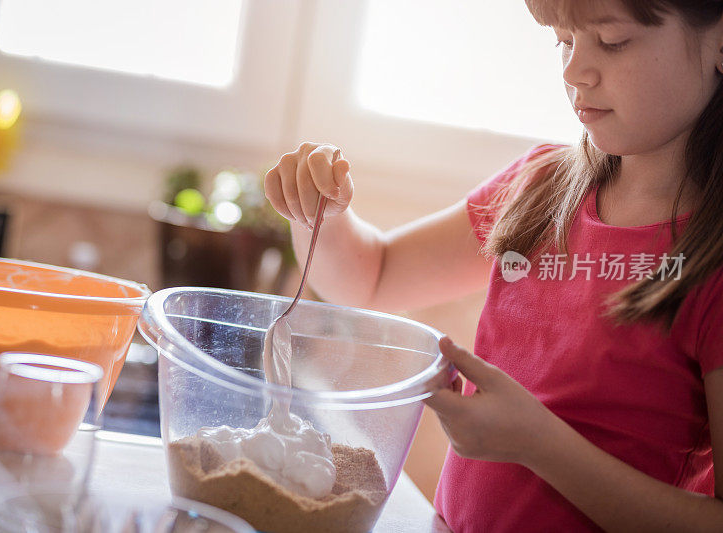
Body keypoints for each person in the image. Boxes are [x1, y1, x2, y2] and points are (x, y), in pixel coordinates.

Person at [264, 0, 723, 531]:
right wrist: (322, 214)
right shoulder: (541, 187)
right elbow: (372, 277)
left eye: (612, 41)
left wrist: (538, 445)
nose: (575, 71)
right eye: (564, 41)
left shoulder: (709, 260)